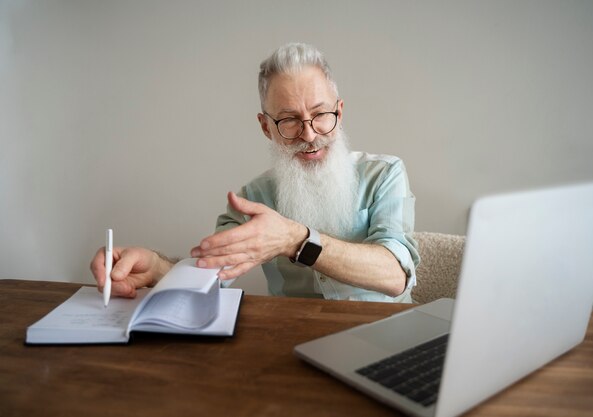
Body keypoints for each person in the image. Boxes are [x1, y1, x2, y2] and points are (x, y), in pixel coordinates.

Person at [91, 43, 419, 303]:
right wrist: (156, 268)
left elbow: (394, 275)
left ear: (340, 112)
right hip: (293, 339)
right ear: (266, 127)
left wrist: (295, 239)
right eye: (289, 120)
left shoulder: (385, 173)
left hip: (381, 332)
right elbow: (210, 274)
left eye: (321, 115)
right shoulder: (253, 198)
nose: (308, 134)